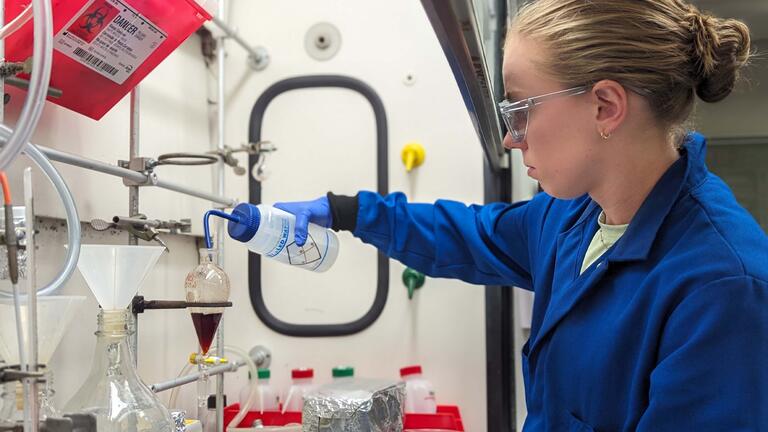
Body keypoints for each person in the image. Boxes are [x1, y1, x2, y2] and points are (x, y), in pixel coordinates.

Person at [275, 0, 768, 430]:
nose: (512, 138)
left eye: (521, 109)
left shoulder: (723, 287)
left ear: (605, 106)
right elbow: (468, 235)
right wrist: (347, 212)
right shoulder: (572, 215)